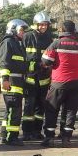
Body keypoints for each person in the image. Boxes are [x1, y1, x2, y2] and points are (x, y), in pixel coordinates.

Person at [41, 20, 78, 148]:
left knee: (52, 110)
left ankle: (49, 138)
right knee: (71, 111)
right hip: (75, 83)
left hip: (58, 83)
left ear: (62, 30)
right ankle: (66, 138)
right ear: (74, 30)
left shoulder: (56, 44)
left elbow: (46, 61)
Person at [22, 11, 54, 141]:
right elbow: (22, 58)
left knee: (41, 106)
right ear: (35, 24)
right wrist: (33, 67)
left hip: (44, 78)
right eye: (41, 24)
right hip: (30, 77)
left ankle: (37, 131)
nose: (43, 27)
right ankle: (26, 132)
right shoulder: (27, 37)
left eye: (45, 25)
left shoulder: (48, 39)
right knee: (29, 105)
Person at [0, 19, 28, 146]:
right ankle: (12, 137)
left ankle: (4, 135)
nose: (23, 33)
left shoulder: (16, 43)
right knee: (15, 111)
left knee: (9, 110)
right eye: (21, 30)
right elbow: (4, 62)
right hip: (11, 82)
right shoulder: (8, 42)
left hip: (16, 82)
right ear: (13, 30)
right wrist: (5, 80)